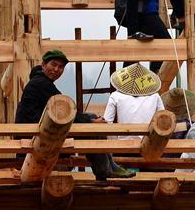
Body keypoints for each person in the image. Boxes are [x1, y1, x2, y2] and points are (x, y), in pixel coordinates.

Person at [15, 50, 134, 181]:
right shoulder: (41, 84)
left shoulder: (40, 82)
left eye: (60, 67)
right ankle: (106, 170)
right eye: (53, 65)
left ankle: (110, 166)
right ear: (43, 65)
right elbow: (66, 111)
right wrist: (91, 123)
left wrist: (90, 120)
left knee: (91, 118)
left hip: (41, 132)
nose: (56, 69)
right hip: (36, 137)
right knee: (92, 128)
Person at [114, 0, 172, 71]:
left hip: (145, 14)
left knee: (136, 46)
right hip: (144, 14)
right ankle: (154, 74)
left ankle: (127, 77)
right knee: (166, 43)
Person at [103, 63, 165, 140]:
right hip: (148, 145)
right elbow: (163, 119)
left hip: (123, 145)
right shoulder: (155, 96)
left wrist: (115, 143)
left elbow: (107, 122)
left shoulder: (115, 95)